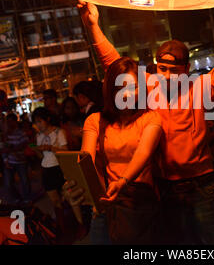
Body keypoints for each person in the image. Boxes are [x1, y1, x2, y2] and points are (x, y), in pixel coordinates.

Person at [77, 0, 214, 244]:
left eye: (175, 71)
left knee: (211, 242)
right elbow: (114, 65)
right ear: (156, 66)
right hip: (162, 186)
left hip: (199, 186)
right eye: (163, 69)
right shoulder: (148, 86)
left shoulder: (198, 88)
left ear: (186, 70)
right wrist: (94, 27)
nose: (168, 77)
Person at [64, 57, 163, 245]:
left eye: (133, 87)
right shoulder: (94, 120)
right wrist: (75, 184)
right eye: (120, 88)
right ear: (110, 90)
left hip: (139, 206)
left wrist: (123, 181)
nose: (126, 95)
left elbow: (144, 153)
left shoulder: (151, 118)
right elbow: (87, 159)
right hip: (104, 206)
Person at [32, 107, 68, 234]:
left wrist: (51, 147)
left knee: (68, 197)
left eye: (40, 121)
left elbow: (66, 151)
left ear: (47, 119)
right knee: (55, 200)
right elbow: (42, 157)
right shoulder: (39, 136)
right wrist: (37, 150)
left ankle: (76, 223)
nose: (38, 125)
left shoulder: (59, 132)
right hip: (46, 169)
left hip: (60, 168)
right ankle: (62, 226)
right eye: (36, 122)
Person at [2, 113, 31, 203]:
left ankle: (27, 198)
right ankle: (17, 198)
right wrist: (5, 159)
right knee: (8, 183)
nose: (10, 124)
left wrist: (10, 148)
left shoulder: (21, 133)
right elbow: (3, 148)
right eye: (8, 122)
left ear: (15, 121)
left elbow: (23, 145)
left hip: (21, 161)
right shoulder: (5, 135)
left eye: (11, 121)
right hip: (10, 161)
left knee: (24, 181)